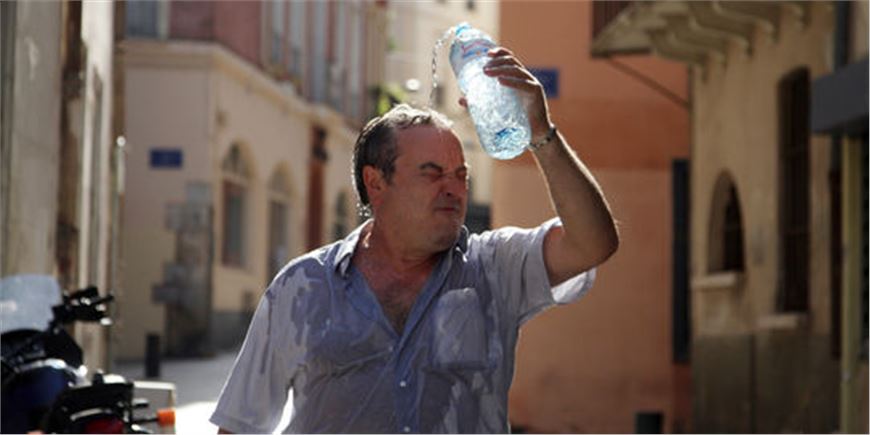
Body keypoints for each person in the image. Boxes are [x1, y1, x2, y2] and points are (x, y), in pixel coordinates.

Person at [210, 47, 619, 434]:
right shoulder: (302, 287)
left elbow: (593, 244)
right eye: (432, 173)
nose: (453, 188)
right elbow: (240, 426)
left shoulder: (495, 267)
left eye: (461, 175)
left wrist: (541, 134)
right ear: (376, 183)